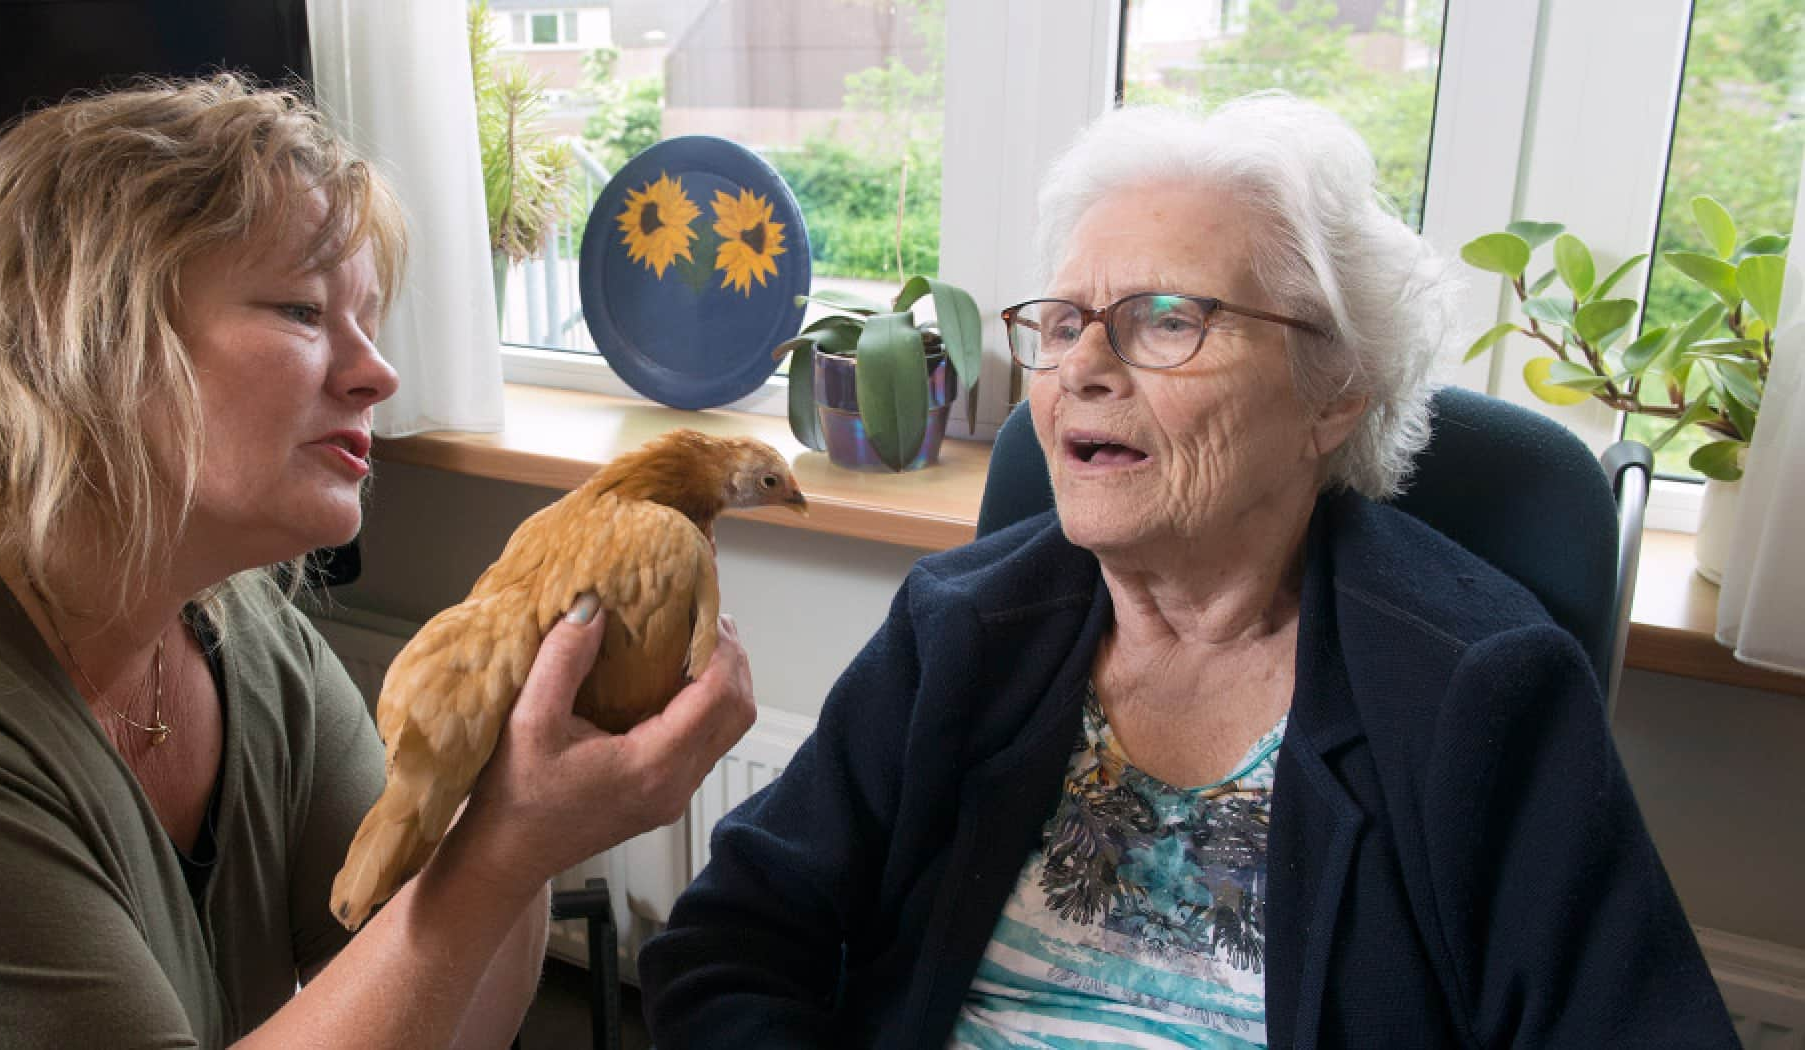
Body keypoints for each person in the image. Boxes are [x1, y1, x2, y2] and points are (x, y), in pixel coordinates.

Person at [0, 75, 755, 1049]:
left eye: (369, 319)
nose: (375, 371)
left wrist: (516, 801)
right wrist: (500, 853)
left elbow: (437, 1005)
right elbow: (456, 917)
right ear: (90, 342)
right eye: (302, 311)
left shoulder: (233, 627)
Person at [638, 95, 1735, 1049]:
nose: (1082, 368)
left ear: (1334, 392)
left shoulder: (1476, 693)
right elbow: (730, 944)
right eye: (1064, 322)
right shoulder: (958, 626)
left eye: (1167, 320)